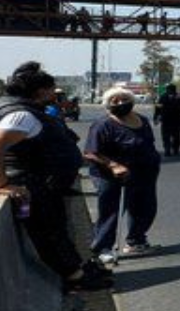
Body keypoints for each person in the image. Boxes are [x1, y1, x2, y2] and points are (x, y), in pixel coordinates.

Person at [0, 62, 110, 290]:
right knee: (49, 233)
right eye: (51, 89)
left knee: (56, 229)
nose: (54, 93)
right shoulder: (21, 115)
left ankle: (76, 269)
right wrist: (2, 184)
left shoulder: (27, 111)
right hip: (31, 185)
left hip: (43, 184)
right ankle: (75, 278)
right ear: (40, 91)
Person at [83, 88, 164, 264]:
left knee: (145, 208)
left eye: (124, 99)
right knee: (110, 211)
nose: (121, 103)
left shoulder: (141, 120)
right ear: (108, 105)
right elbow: (90, 152)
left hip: (144, 172)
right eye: (115, 101)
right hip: (110, 175)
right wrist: (113, 165)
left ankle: (136, 240)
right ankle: (102, 248)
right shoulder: (103, 124)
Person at [154, 83, 180, 157]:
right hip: (174, 120)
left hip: (167, 120)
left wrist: (156, 118)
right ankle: (174, 150)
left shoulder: (163, 97)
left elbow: (158, 108)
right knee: (175, 135)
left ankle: (169, 150)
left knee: (167, 135)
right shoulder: (178, 97)